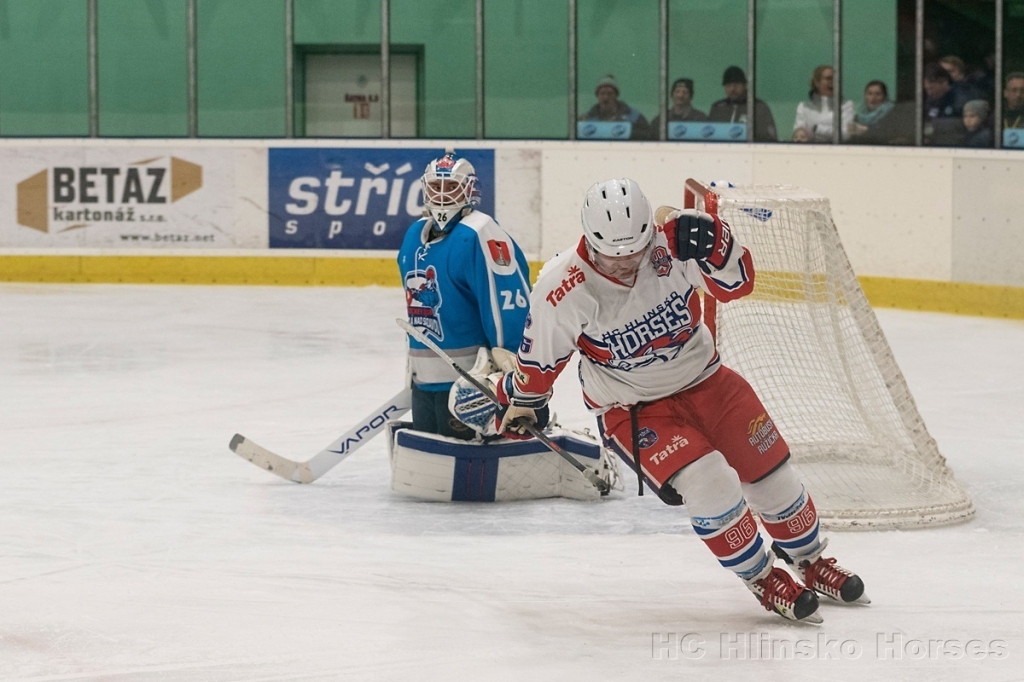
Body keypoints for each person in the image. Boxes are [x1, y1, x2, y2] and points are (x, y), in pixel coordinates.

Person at [484, 178, 868, 623]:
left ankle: (812, 560)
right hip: (636, 410)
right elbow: (540, 362)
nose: (627, 262)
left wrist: (720, 245)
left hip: (708, 381)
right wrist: (523, 399)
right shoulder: (562, 287)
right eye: (613, 254)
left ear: (648, 229)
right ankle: (762, 578)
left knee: (773, 478)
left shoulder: (673, 242)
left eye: (635, 249)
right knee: (710, 481)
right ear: (588, 240)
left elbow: (737, 285)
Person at [397, 148, 531, 440]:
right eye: (435, 186)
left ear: (469, 191)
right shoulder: (413, 235)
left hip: (470, 384)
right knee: (429, 462)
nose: (442, 195)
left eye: (451, 186)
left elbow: (507, 303)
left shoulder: (481, 233)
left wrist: (510, 370)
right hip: (424, 379)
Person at [708, 66, 778, 142]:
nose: (732, 89)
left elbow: (770, 138)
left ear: (745, 85)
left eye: (736, 85)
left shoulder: (758, 107)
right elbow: (707, 135)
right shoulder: (718, 108)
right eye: (728, 85)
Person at [579, 74, 653, 141]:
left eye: (610, 93)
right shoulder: (585, 120)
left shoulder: (634, 117)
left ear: (616, 96)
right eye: (602, 93)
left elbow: (647, 138)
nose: (606, 97)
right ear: (597, 96)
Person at [792, 65, 855, 143]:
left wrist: (817, 129)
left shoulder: (846, 106)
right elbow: (799, 134)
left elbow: (846, 134)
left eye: (835, 79)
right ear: (817, 83)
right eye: (828, 78)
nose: (833, 82)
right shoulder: (804, 107)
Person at [923, 62, 964, 146]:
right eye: (927, 89)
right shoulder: (931, 100)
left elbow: (961, 126)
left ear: (943, 82)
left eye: (932, 88)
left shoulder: (959, 99)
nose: (929, 93)